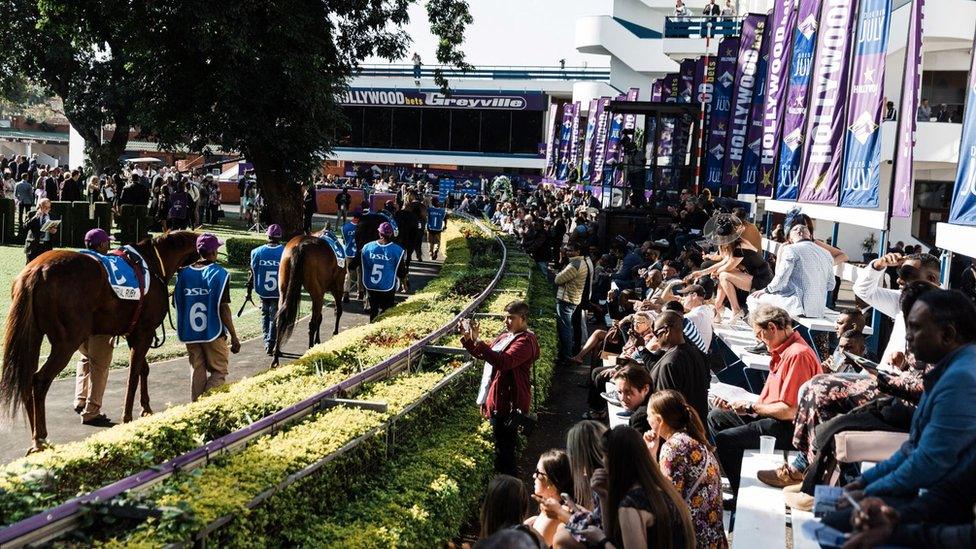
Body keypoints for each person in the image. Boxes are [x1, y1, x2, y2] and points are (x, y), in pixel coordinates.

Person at [842, 289, 976, 502]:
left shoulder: (960, 381)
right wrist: (865, 481)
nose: (907, 336)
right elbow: (912, 449)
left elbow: (929, 462)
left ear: (948, 335)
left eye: (915, 328)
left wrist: (869, 491)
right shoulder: (948, 370)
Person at [707, 304, 822, 497]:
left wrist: (752, 406)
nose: (758, 339)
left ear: (772, 328)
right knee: (717, 417)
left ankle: (742, 496)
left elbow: (789, 410)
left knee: (726, 441)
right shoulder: (784, 351)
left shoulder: (797, 355)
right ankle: (741, 477)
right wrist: (744, 407)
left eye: (759, 334)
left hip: (791, 429)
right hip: (776, 419)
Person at [578, 426, 694, 549]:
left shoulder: (631, 505)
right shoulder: (662, 487)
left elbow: (609, 539)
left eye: (605, 456)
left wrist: (601, 540)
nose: (603, 461)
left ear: (616, 461)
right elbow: (613, 537)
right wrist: (604, 496)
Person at [460, 300, 540, 476]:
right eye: (505, 318)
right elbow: (486, 355)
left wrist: (478, 340)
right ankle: (507, 486)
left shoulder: (526, 341)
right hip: (498, 398)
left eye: (511, 318)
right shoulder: (505, 336)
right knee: (501, 447)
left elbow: (503, 362)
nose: (506, 322)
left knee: (505, 451)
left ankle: (509, 489)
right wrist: (469, 339)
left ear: (523, 318)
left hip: (509, 403)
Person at [645, 390, 727, 549]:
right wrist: (653, 452)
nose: (647, 420)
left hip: (692, 537)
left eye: (649, 416)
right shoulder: (694, 438)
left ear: (660, 420)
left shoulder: (672, 448)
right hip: (712, 535)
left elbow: (668, 500)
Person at [174, 234, 241, 401]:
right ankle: (206, 404)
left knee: (197, 370)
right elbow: (223, 308)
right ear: (213, 251)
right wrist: (234, 336)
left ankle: (196, 407)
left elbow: (176, 303)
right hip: (213, 331)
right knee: (219, 371)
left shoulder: (183, 274)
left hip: (190, 332)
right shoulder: (220, 274)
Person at [74, 229, 116, 427]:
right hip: (99, 324)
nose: (109, 246)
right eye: (107, 242)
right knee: (99, 365)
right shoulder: (106, 264)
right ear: (100, 245)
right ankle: (92, 411)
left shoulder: (79, 260)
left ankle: (80, 399)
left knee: (84, 358)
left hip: (76, 324)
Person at [747, 224, 834, 319]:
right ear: (809, 235)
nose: (798, 230)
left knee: (752, 298)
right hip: (818, 309)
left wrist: (766, 290)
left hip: (797, 306)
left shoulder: (792, 249)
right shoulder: (826, 253)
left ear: (794, 236)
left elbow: (780, 281)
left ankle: (760, 329)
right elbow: (831, 285)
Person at [647, 311, 711, 423]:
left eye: (656, 333)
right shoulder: (698, 352)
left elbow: (666, 407)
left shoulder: (670, 363)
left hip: (679, 430)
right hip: (699, 424)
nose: (656, 338)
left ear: (666, 330)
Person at [248, 224, 285, 355]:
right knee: (274, 317)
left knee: (265, 315)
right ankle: (271, 343)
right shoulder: (285, 251)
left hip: (262, 290)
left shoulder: (256, 252)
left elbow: (252, 272)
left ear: (267, 235)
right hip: (277, 291)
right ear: (280, 236)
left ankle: (266, 341)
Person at [526, 450, 574, 546]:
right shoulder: (552, 510)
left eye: (538, 472)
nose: (534, 475)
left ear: (552, 483)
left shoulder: (557, 515)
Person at [359, 222, 407, 321]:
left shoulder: (367, 247)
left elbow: (354, 264)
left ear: (379, 233)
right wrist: (404, 283)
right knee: (386, 312)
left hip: (371, 286)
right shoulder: (397, 249)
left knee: (373, 311)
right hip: (387, 285)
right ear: (391, 234)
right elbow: (401, 271)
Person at [555, 242, 589, 365]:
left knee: (565, 328)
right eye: (567, 250)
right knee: (567, 327)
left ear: (578, 252)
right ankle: (567, 354)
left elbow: (557, 279)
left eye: (571, 250)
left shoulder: (574, 264)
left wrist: (559, 274)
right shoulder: (582, 262)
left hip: (566, 299)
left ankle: (566, 356)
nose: (568, 252)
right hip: (573, 298)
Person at [23, 197, 58, 263]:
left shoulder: (52, 215)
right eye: (45, 207)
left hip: (46, 245)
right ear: (40, 206)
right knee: (30, 267)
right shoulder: (31, 214)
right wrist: (35, 217)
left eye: (49, 207)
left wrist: (54, 231)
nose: (47, 209)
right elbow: (25, 227)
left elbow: (55, 230)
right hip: (33, 245)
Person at [341, 209, 361, 302]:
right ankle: (359, 293)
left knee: (348, 274)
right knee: (360, 273)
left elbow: (344, 241)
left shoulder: (344, 227)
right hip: (358, 253)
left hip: (348, 252)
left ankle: (346, 293)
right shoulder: (362, 226)